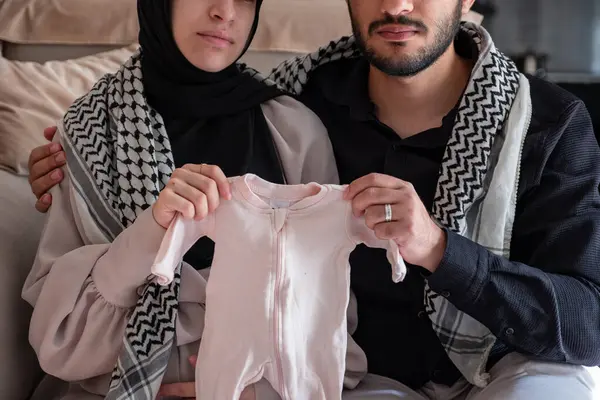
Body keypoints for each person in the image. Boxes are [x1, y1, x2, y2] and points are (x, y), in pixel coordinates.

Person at [27, 0, 600, 399]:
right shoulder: (301, 104)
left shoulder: (548, 126)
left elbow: (588, 321)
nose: (396, 5)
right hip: (358, 377)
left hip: (507, 370)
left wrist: (440, 249)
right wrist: (60, 158)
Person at [21, 0, 345, 399]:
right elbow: (62, 340)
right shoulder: (90, 131)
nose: (225, 11)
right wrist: (154, 231)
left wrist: (253, 390)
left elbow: (329, 315)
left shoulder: (294, 130)